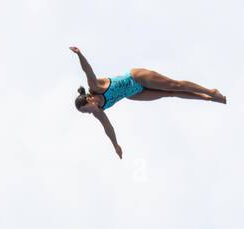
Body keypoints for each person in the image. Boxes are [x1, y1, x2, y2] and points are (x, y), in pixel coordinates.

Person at [69, 47, 226, 158]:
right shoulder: (99, 111)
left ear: (88, 99)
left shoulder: (94, 86)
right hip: (133, 93)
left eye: (87, 109)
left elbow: (87, 70)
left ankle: (210, 91)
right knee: (171, 94)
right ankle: (208, 98)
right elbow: (108, 128)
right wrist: (115, 145)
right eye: (87, 112)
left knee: (175, 85)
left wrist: (79, 54)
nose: (90, 112)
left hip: (137, 77)